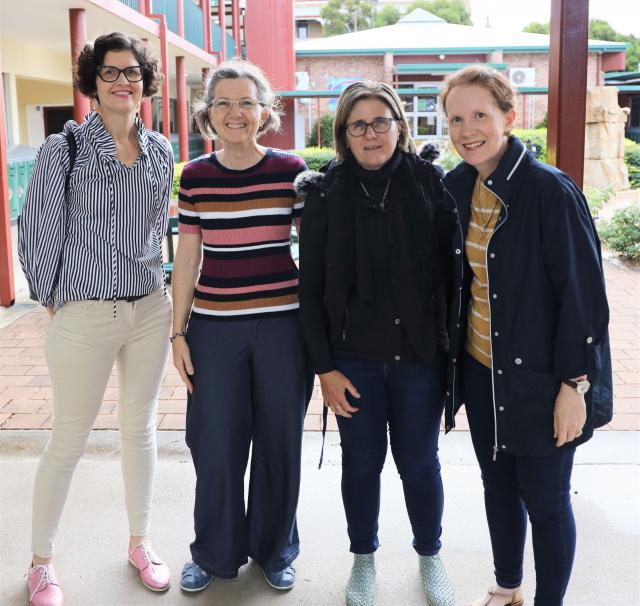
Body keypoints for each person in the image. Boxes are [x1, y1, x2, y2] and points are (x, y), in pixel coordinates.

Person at [439, 66, 613, 606]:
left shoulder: (549, 191)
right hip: (481, 370)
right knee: (498, 487)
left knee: (547, 501)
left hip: (544, 379)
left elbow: (583, 299)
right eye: (456, 119)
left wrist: (574, 386)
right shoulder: (456, 187)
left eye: (480, 115)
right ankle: (508, 586)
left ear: (509, 118)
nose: (467, 130)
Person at [18, 33, 175, 606]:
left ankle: (140, 542)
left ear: (144, 82)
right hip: (85, 312)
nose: (122, 81)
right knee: (69, 438)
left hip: (149, 309)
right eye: (110, 72)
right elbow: (37, 230)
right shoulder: (65, 148)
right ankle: (41, 563)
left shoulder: (160, 150)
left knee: (141, 429)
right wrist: (56, 299)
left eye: (132, 72)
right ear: (93, 81)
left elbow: (156, 227)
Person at [296, 81, 455, 606]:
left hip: (419, 358)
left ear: (399, 126)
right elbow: (310, 290)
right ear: (343, 134)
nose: (371, 133)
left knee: (420, 463)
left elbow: (454, 277)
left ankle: (430, 555)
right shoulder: (324, 194)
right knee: (361, 465)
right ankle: (363, 559)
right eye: (358, 124)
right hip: (353, 362)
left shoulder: (430, 184)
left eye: (380, 121)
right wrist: (324, 369)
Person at [172, 59, 310, 594]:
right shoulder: (195, 177)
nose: (236, 112)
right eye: (224, 102)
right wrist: (178, 333)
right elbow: (188, 257)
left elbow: (316, 250)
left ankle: (275, 550)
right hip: (214, 330)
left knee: (279, 443)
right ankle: (213, 553)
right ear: (209, 112)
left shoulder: (291, 170)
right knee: (215, 446)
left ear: (265, 111)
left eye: (246, 102)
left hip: (282, 329)